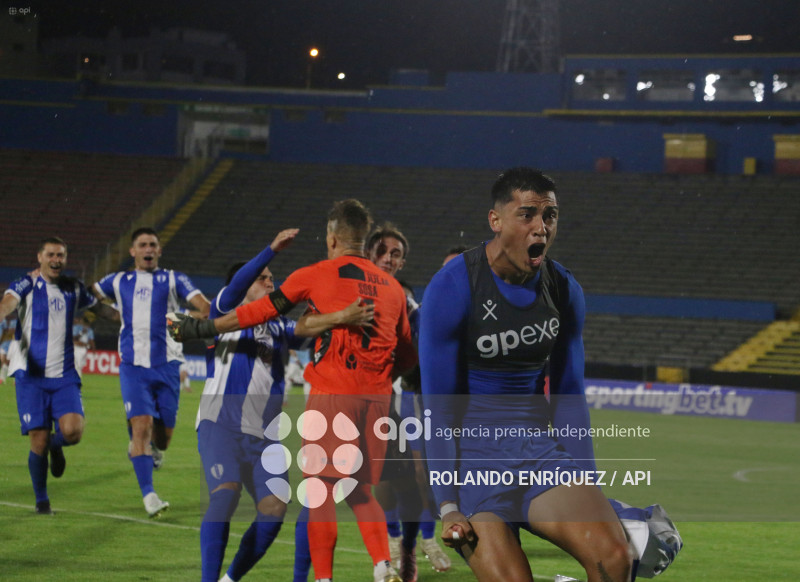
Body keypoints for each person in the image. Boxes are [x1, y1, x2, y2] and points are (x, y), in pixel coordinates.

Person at [168, 199, 417, 582]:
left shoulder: (315, 276)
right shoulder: (394, 289)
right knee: (359, 489)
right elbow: (407, 352)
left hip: (328, 399)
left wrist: (199, 328)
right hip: (375, 401)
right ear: (364, 240)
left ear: (331, 238)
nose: (270, 281)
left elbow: (274, 316)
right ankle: (383, 563)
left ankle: (317, 578)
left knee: (314, 494)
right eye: (263, 276)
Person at [419, 168, 633, 582]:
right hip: (473, 466)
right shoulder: (452, 287)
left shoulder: (562, 288)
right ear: (495, 220)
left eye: (550, 215)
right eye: (528, 214)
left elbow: (569, 396)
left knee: (616, 557)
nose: (541, 227)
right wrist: (447, 505)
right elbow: (439, 410)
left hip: (539, 455)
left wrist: (589, 487)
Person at [196, 228, 375, 582]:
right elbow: (236, 288)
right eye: (262, 279)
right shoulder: (225, 314)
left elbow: (310, 326)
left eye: (271, 279)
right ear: (243, 285)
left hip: (264, 437)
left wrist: (342, 314)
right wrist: (271, 251)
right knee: (225, 497)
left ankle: (229, 579)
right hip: (222, 426)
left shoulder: (279, 327)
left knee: (274, 510)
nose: (269, 283)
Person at [94, 227, 211, 517]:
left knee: (163, 440)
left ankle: (143, 444)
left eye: (153, 245)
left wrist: (176, 319)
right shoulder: (118, 280)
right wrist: (115, 315)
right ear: (133, 252)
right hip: (133, 366)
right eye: (142, 245)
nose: (148, 249)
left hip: (168, 367)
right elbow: (88, 298)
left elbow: (206, 309)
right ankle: (149, 495)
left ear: (159, 251)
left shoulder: (174, 279)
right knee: (142, 427)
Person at [0, 237, 117, 514]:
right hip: (30, 375)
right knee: (36, 440)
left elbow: (101, 310)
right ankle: (42, 501)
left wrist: (135, 319)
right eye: (51, 254)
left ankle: (57, 445)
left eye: (61, 255)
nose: (56, 260)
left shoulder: (73, 288)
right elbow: (7, 303)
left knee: (73, 432)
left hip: (64, 374)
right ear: (40, 257)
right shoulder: (25, 284)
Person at [367, 223, 452, 582]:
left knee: (416, 474)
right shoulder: (346, 286)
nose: (388, 259)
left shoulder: (404, 296)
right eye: (382, 251)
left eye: (396, 254)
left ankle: (423, 541)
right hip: (356, 396)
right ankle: (393, 541)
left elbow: (423, 325)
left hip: (402, 396)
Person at [72, 313, 96, 379]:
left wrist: (94, 350)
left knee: (81, 365)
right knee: (78, 365)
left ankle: (77, 377)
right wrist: (82, 332)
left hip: (84, 349)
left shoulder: (90, 330)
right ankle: (77, 378)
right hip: (76, 348)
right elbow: (74, 338)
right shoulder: (76, 328)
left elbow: (91, 340)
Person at [0, 312, 17, 385]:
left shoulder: (16, 320)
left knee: (14, 360)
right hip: (4, 341)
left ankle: (16, 379)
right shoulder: (3, 319)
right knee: (3, 358)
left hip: (13, 342)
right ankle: (2, 378)